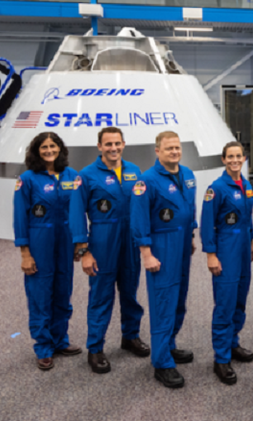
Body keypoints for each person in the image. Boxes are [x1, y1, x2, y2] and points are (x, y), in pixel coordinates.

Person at [69, 127, 149, 374]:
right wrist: (84, 251)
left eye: (117, 143)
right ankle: (95, 348)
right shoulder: (86, 175)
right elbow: (76, 213)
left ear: (123, 144)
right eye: (108, 144)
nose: (113, 148)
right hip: (102, 242)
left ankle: (130, 336)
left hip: (130, 241)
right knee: (101, 296)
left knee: (130, 293)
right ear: (99, 147)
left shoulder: (134, 171)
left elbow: (142, 207)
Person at [130, 131, 198, 388]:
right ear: (157, 151)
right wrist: (146, 254)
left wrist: (191, 236)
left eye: (177, 147)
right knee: (163, 302)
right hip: (161, 245)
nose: (174, 152)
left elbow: (190, 209)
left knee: (179, 299)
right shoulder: (146, 181)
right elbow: (139, 219)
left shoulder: (188, 175)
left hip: (182, 243)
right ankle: (161, 363)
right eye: (169, 148)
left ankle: (168, 345)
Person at [13, 132, 81, 371]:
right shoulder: (27, 179)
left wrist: (79, 243)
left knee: (63, 290)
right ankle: (43, 346)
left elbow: (78, 211)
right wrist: (25, 253)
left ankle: (60, 340)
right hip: (39, 240)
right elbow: (20, 217)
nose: (49, 150)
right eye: (44, 147)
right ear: (37, 151)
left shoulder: (72, 176)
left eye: (53, 146)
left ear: (60, 149)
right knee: (40, 294)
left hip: (66, 240)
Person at [200, 142, 253, 385]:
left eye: (238, 156)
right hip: (226, 249)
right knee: (225, 303)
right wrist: (211, 254)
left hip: (243, 248)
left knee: (239, 300)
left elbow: (247, 218)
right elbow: (206, 224)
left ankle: (233, 344)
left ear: (244, 158)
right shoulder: (216, 189)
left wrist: (252, 242)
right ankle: (221, 359)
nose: (235, 160)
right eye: (230, 156)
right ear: (224, 160)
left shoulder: (246, 185)